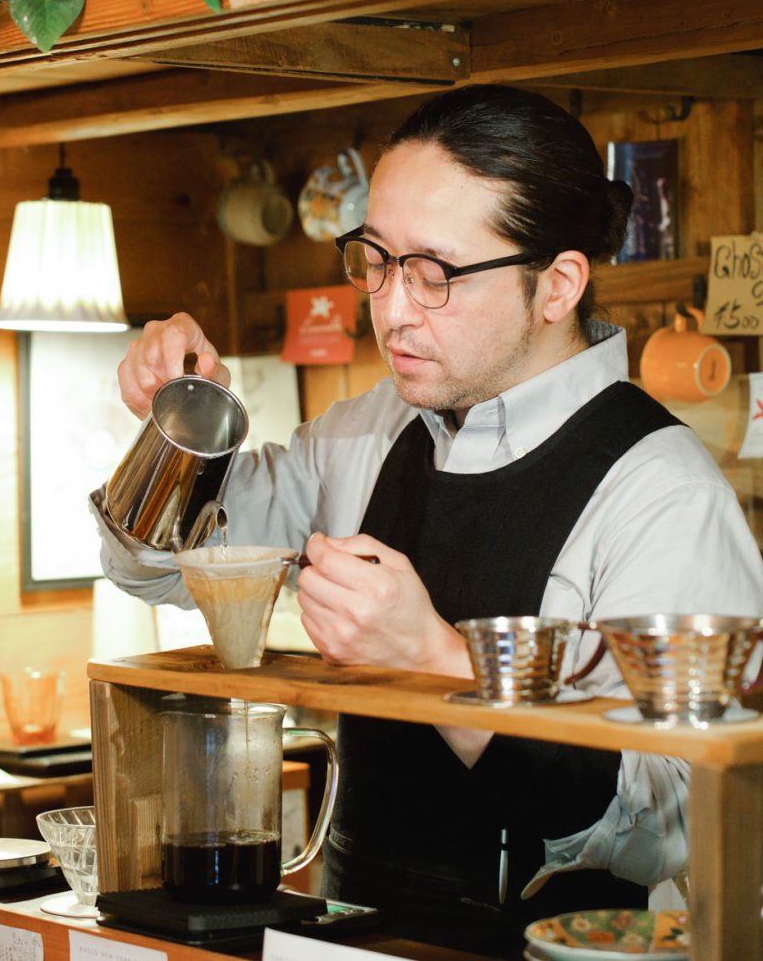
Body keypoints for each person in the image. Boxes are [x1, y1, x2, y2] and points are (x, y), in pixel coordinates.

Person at [93, 84, 763, 959]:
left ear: (557, 283)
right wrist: (180, 429)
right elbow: (156, 568)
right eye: (375, 259)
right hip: (345, 937)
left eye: (434, 273)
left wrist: (437, 658)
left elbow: (680, 824)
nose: (394, 307)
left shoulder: (662, 491)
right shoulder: (366, 433)